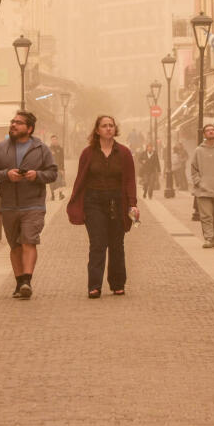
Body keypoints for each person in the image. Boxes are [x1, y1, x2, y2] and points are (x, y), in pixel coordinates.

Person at [0, 111, 58, 300]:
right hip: (8, 205)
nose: (14, 125)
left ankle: (27, 281)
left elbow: (53, 173)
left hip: (33, 204)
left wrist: (37, 176)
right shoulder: (0, 149)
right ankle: (19, 283)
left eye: (19, 123)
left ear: (29, 128)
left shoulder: (41, 149)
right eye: (12, 122)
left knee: (28, 241)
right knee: (15, 246)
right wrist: (6, 175)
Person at [66, 115, 139, 298]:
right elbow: (81, 179)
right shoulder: (88, 153)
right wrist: (76, 203)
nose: (108, 129)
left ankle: (117, 283)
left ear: (115, 129)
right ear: (97, 130)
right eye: (104, 126)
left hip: (117, 202)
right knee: (97, 244)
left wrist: (133, 204)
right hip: (94, 202)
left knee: (117, 244)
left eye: (111, 126)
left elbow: (130, 180)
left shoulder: (123, 153)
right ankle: (94, 285)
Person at [49, 135, 67, 200]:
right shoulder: (49, 149)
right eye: (53, 139)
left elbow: (62, 159)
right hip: (51, 169)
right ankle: (52, 195)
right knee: (52, 182)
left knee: (60, 182)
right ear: (51, 140)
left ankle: (60, 195)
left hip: (59, 168)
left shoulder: (60, 149)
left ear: (57, 140)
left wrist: (62, 169)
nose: (54, 141)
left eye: (55, 139)